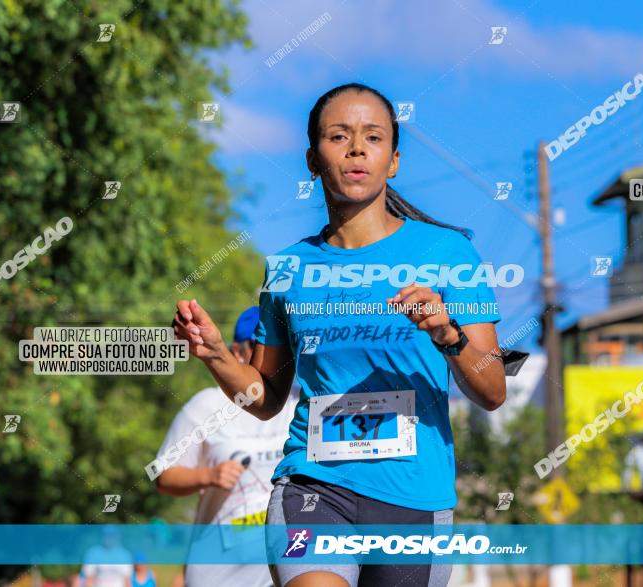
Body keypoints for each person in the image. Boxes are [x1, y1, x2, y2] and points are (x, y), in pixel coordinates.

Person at [172, 82, 507, 586]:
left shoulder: (447, 255)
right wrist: (217, 354)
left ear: (392, 161)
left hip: (414, 497)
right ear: (312, 158)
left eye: (373, 138)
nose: (355, 148)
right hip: (314, 486)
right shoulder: (287, 268)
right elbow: (265, 398)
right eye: (338, 136)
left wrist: (448, 334)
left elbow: (493, 389)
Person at [156, 306, 297, 587]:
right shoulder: (206, 405)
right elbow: (163, 475)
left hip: (282, 563)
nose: (270, 356)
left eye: (281, 347)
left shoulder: (299, 402)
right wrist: (208, 476)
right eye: (259, 345)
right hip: (218, 569)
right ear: (237, 351)